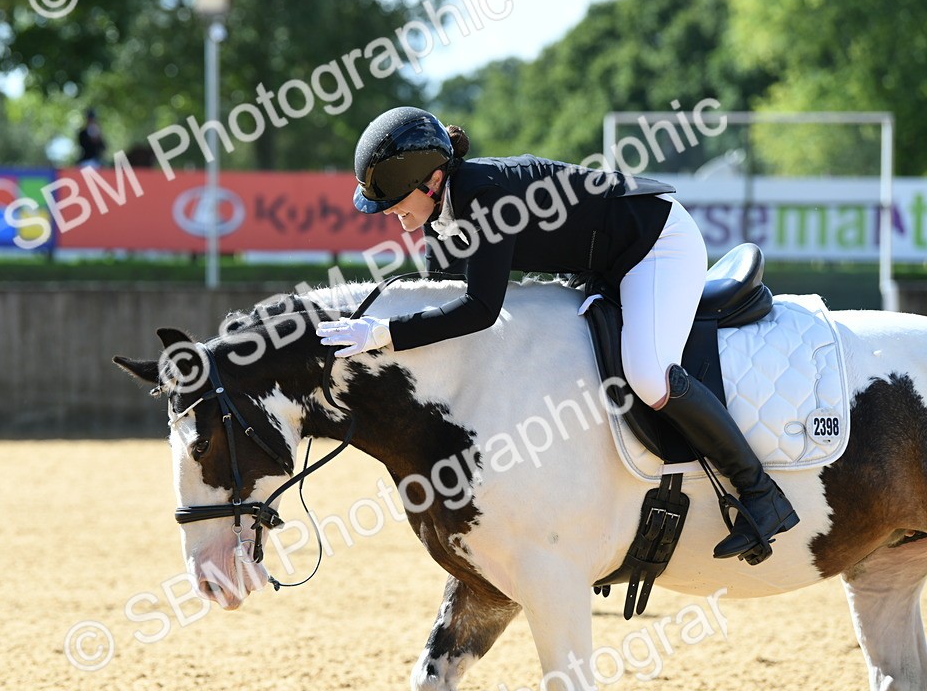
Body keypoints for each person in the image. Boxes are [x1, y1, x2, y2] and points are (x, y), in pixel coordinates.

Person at [316, 106, 799, 565]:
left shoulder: (484, 195)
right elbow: (445, 310)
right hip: (604, 264)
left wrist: (384, 333)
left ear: (433, 180)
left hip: (655, 246)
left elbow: (480, 310)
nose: (386, 213)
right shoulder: (441, 216)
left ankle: (759, 493)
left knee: (649, 375)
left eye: (394, 201)